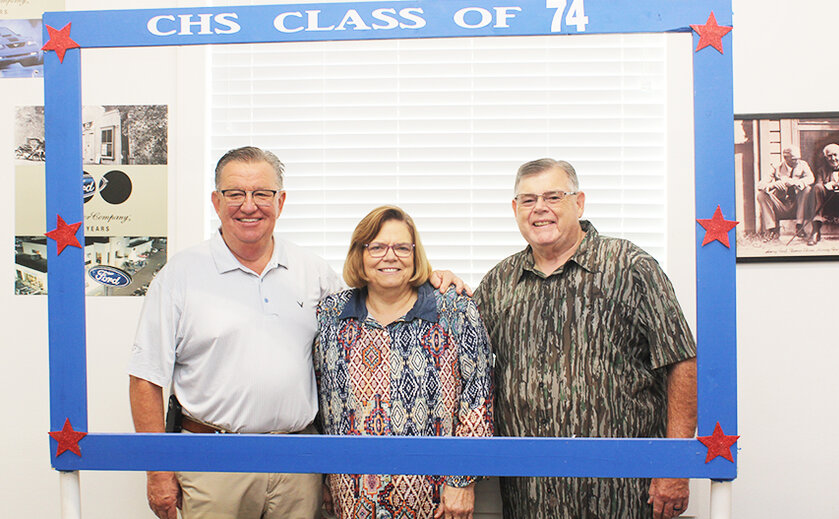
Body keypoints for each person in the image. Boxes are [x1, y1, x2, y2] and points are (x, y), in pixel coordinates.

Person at [128, 147, 468, 519]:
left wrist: (433, 281)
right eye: (235, 193)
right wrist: (157, 470)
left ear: (281, 200)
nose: (249, 205)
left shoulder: (312, 272)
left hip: (299, 462)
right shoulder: (180, 276)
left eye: (262, 194)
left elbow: (376, 299)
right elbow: (146, 378)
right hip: (215, 461)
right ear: (216, 200)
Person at [474, 158, 697, 519]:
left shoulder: (630, 266)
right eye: (528, 200)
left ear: (579, 202)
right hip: (530, 495)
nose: (540, 208)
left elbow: (681, 360)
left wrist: (675, 464)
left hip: (623, 492)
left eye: (553, 196)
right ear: (515, 209)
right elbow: (463, 358)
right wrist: (435, 281)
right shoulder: (498, 283)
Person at [314, 205, 493, 519]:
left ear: (415, 254)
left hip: (437, 497)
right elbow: (318, 398)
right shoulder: (331, 314)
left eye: (401, 247)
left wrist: (463, 481)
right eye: (377, 247)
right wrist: (322, 478)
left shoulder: (454, 310)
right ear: (359, 254)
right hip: (353, 495)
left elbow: (478, 399)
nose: (390, 256)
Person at [756, 147, 813, 241]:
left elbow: (811, 178)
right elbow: (760, 184)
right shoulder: (776, 167)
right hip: (781, 206)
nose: (797, 161)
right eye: (794, 159)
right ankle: (772, 230)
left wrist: (796, 182)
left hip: (798, 205)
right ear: (786, 158)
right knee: (761, 195)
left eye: (798, 158)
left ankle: (800, 226)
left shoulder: (803, 164)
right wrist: (773, 185)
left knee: (807, 189)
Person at [806, 143, 839, 245]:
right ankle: (816, 230)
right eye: (829, 156)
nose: (833, 158)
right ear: (826, 158)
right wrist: (828, 185)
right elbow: (818, 184)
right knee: (817, 188)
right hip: (827, 202)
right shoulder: (822, 170)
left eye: (835, 155)